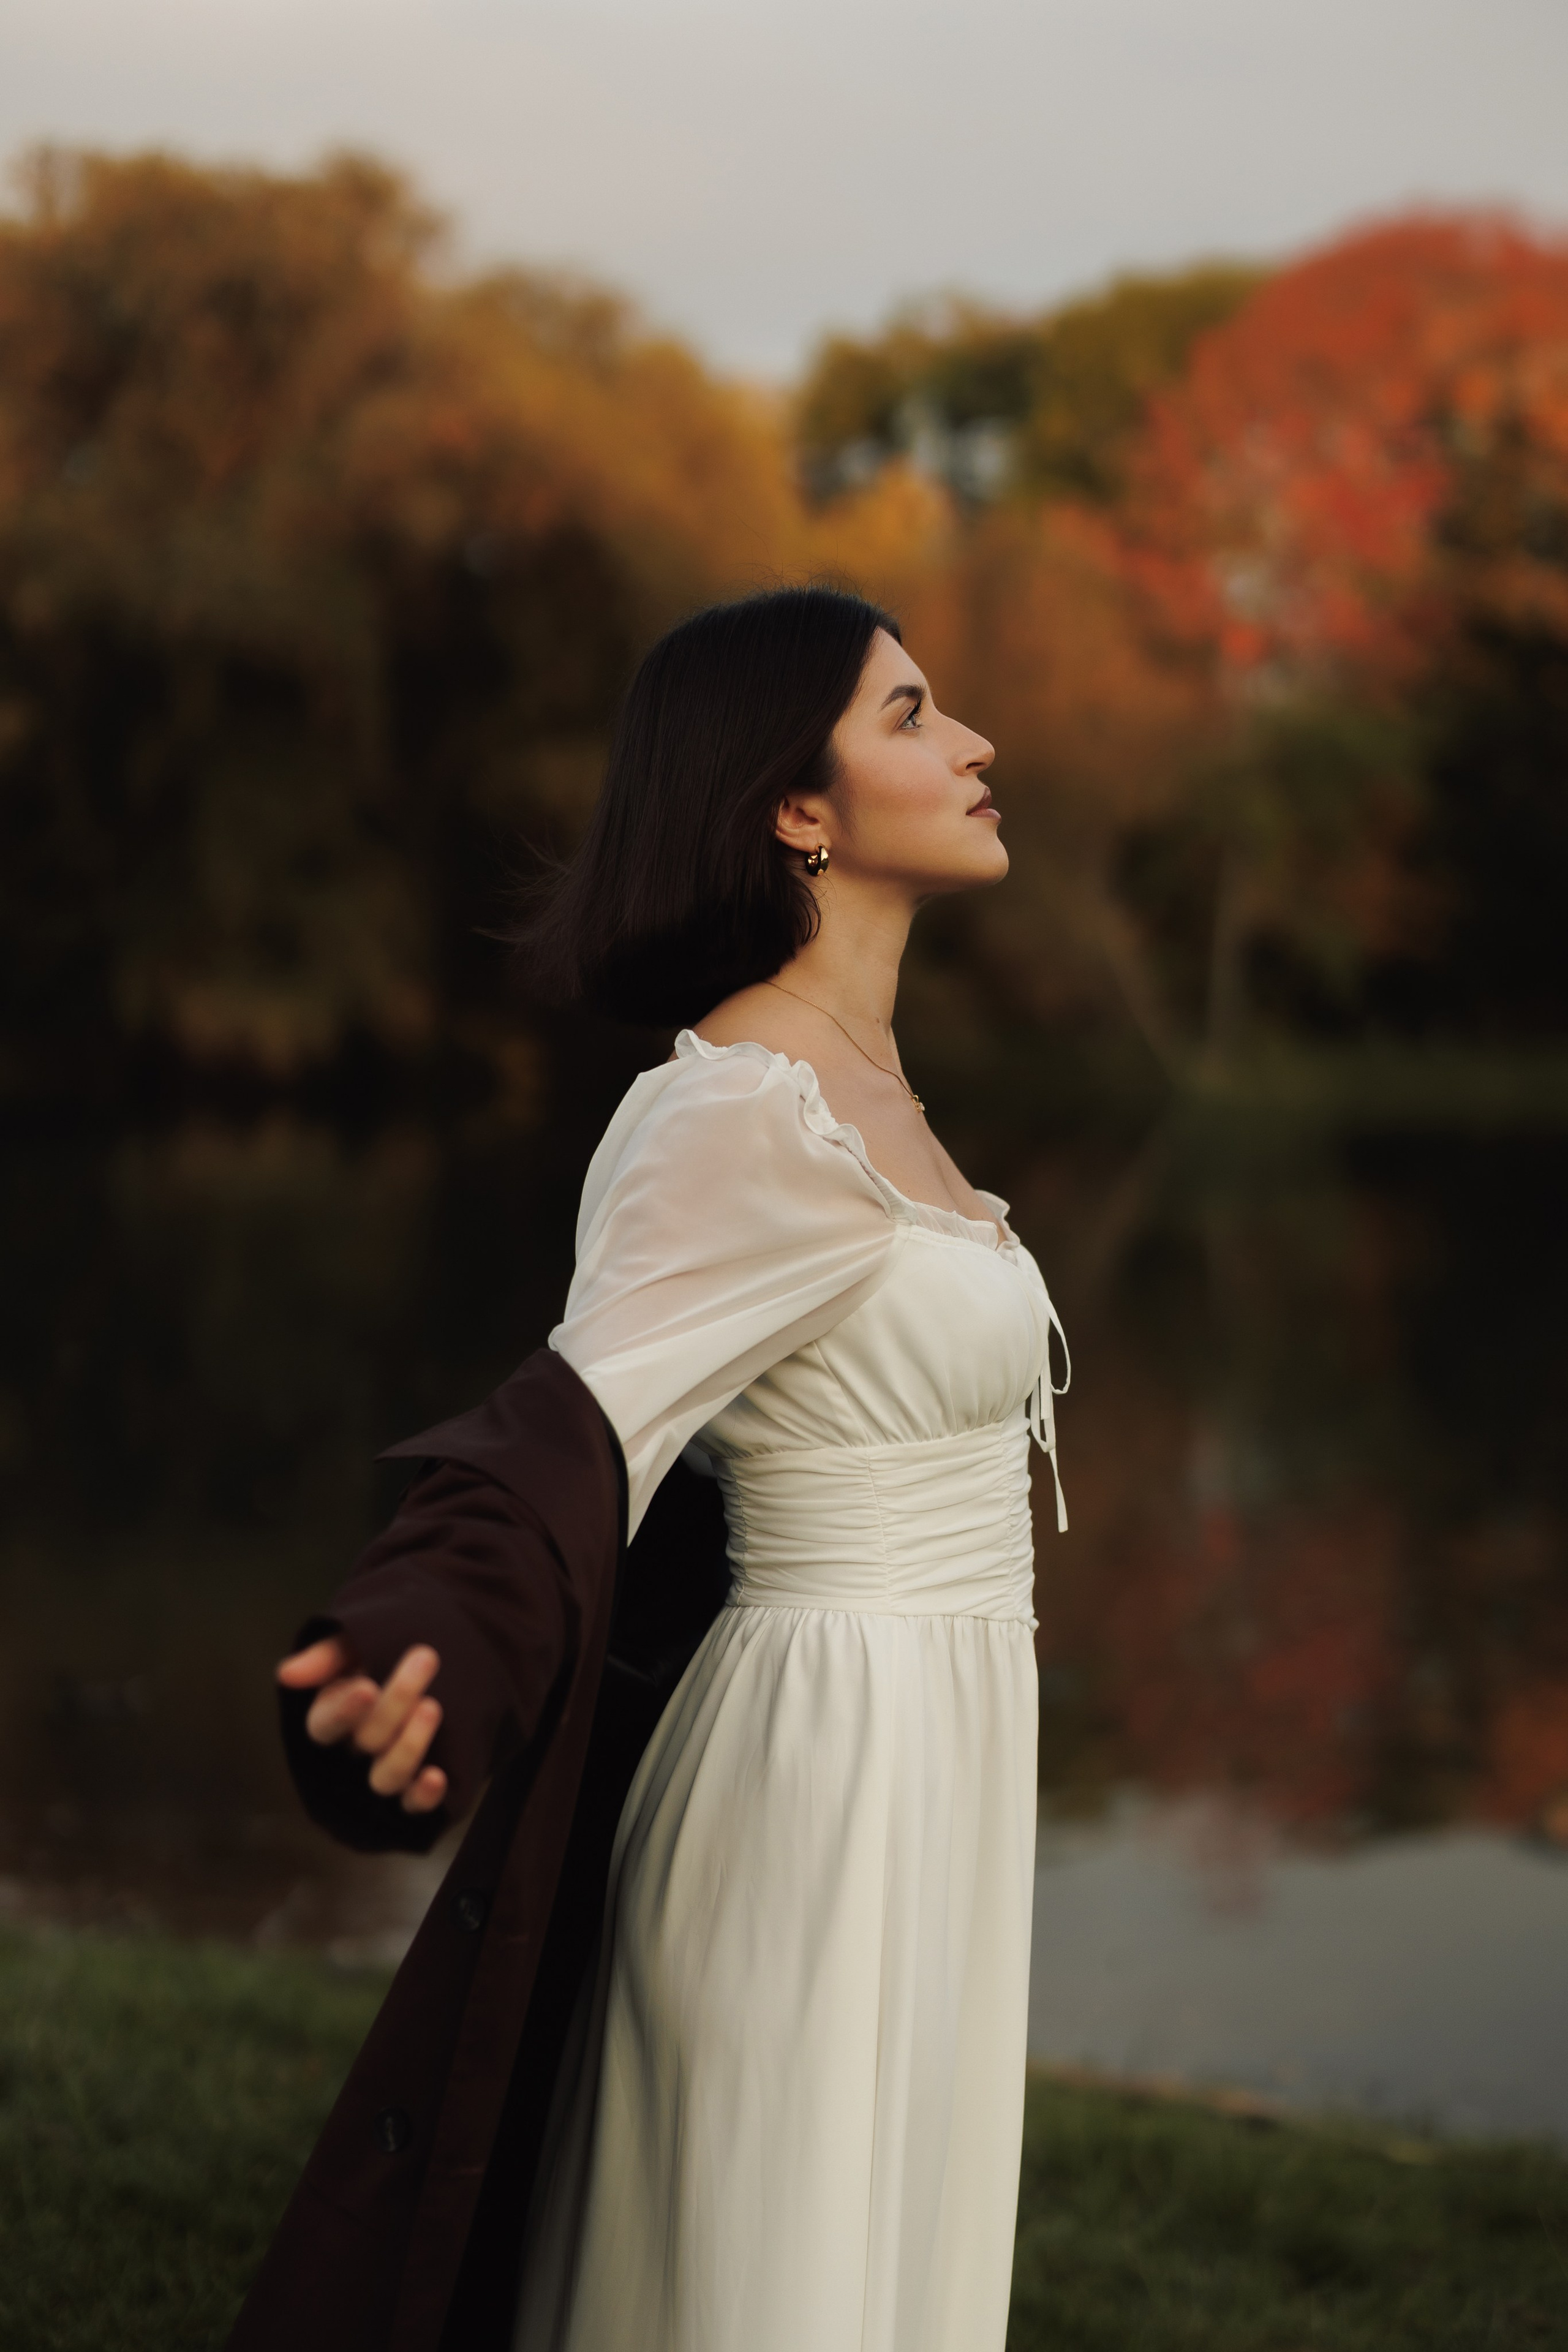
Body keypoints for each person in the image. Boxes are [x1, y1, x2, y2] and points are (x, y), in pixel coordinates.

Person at [271, 586, 1068, 2352]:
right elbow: (569, 1428)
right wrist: (427, 1642)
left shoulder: (872, 1088)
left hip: (942, 1765)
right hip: (817, 1782)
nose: (975, 744)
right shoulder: (736, 1109)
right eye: (917, 714)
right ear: (799, 807)